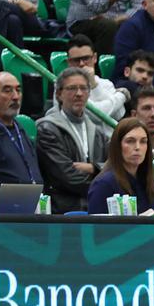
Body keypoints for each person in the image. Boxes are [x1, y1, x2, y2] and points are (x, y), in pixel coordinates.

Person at [36, 68, 111, 213]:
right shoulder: (47, 129)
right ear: (59, 94)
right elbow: (67, 177)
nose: (79, 94)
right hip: (63, 210)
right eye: (72, 88)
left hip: (95, 208)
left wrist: (93, 168)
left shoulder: (97, 132)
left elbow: (113, 167)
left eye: (84, 88)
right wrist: (103, 184)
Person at [87, 117, 154, 214]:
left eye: (143, 141)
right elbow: (96, 228)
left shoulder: (145, 181)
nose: (137, 147)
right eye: (130, 141)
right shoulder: (103, 184)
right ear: (117, 146)